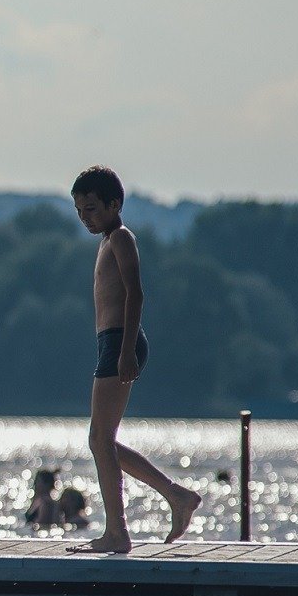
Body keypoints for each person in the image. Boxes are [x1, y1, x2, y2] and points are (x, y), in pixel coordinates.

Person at [67, 165, 202, 554]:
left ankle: (117, 533)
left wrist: (126, 351)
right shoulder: (106, 240)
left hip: (120, 342)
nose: (85, 218)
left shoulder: (122, 238)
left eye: (91, 209)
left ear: (115, 204)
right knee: (103, 441)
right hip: (111, 342)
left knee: (98, 439)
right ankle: (175, 495)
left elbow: (135, 294)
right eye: (79, 211)